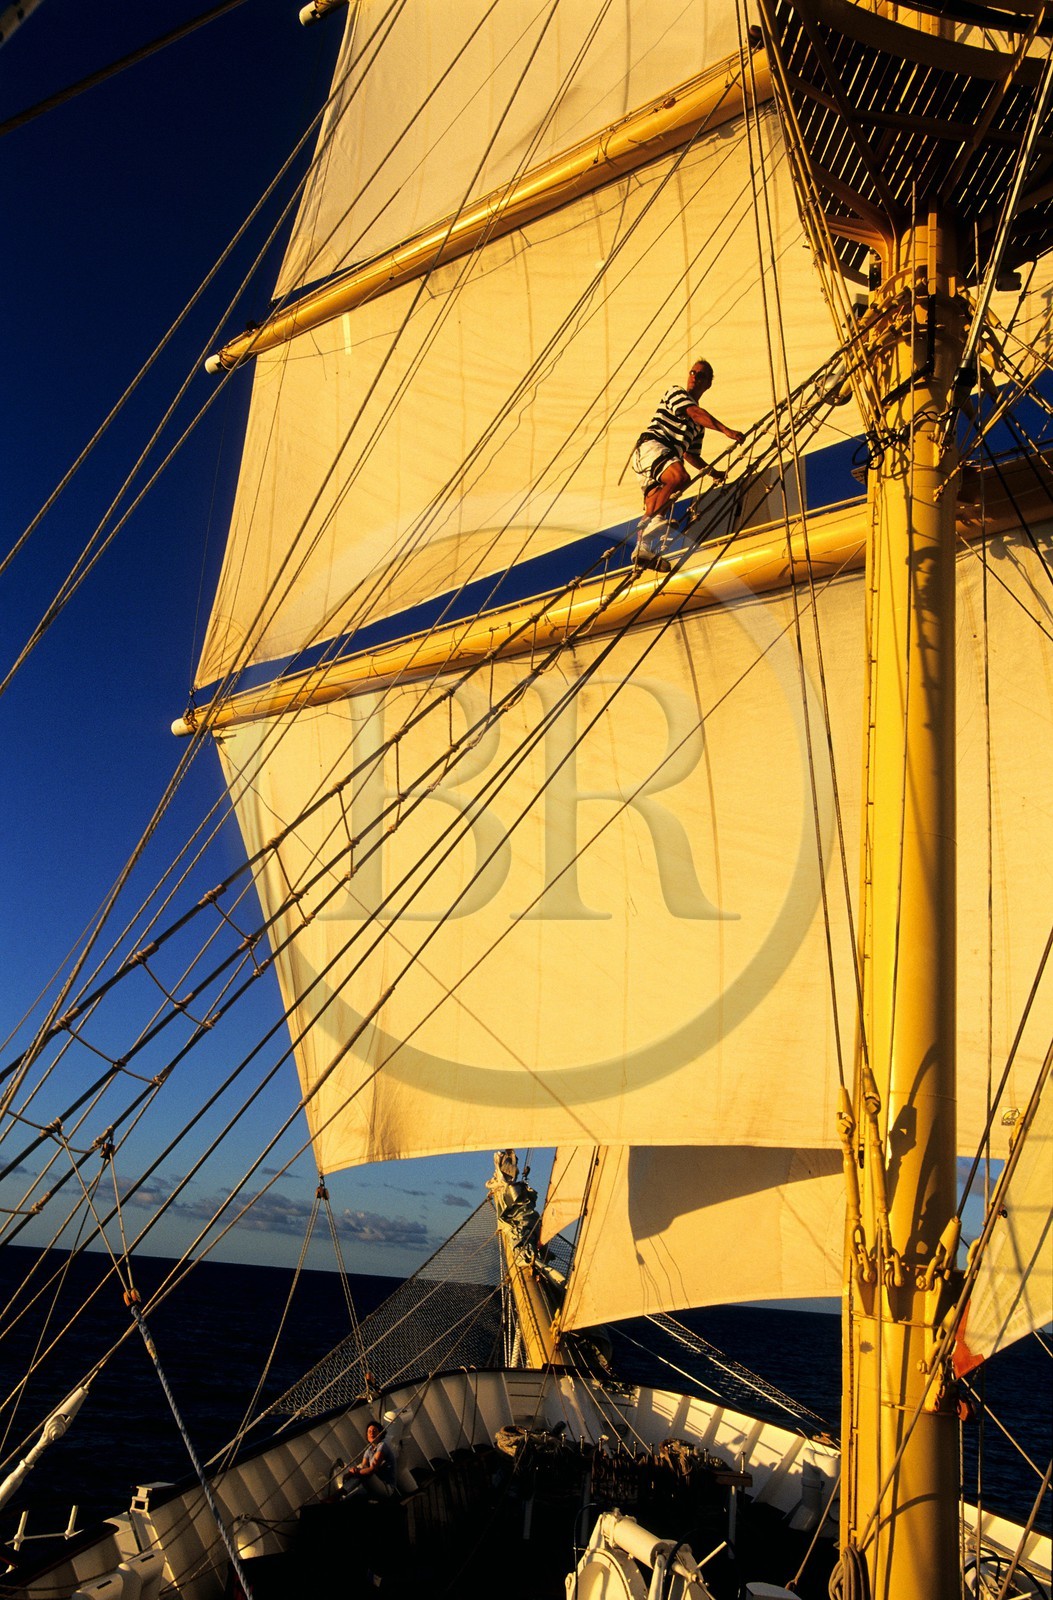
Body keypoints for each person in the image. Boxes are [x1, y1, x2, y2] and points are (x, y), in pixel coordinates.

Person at [631, 358, 744, 571]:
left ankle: (641, 549)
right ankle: (652, 523)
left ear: (708, 383)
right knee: (679, 478)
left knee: (655, 503)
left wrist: (712, 472)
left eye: (700, 375)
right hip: (652, 446)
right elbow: (694, 413)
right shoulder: (676, 393)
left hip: (659, 456)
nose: (694, 377)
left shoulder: (698, 429)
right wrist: (727, 431)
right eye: (692, 373)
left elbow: (691, 456)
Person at [345, 1421, 398, 1499]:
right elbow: (363, 1465)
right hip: (374, 1486)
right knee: (349, 1498)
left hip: (386, 1489)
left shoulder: (382, 1446)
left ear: (380, 1433)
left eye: (374, 1431)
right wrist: (351, 1472)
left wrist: (356, 1472)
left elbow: (372, 1469)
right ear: (366, 1435)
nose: (371, 1433)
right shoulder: (369, 1450)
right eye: (369, 1432)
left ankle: (339, 1493)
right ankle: (339, 1494)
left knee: (363, 1471)